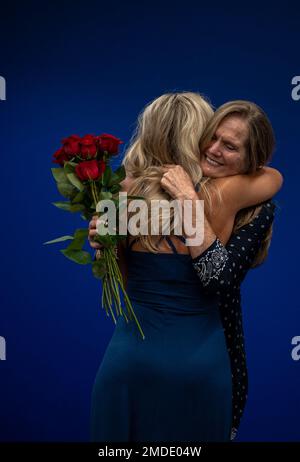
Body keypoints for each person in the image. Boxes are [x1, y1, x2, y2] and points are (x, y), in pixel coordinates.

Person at [88, 93, 282, 442]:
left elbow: (123, 278)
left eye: (229, 145)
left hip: (130, 359)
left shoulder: (121, 195)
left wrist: (104, 237)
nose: (215, 148)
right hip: (199, 363)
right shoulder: (226, 193)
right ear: (197, 135)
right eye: (212, 136)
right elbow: (274, 177)